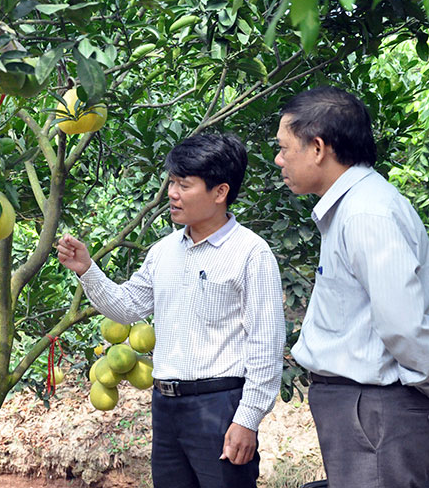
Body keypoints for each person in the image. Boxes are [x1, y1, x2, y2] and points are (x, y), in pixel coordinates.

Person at [58, 133, 286, 488]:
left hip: (219, 407)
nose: (172, 194)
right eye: (172, 182)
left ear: (220, 192)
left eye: (184, 184)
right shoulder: (163, 251)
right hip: (166, 407)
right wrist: (88, 270)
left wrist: (248, 418)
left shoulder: (250, 254)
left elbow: (266, 345)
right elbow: (127, 306)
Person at [274, 86, 429, 488]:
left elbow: (404, 327)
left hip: (374, 410)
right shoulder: (353, 206)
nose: (279, 160)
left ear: (318, 148)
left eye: (284, 148)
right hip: (364, 409)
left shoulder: (366, 213)